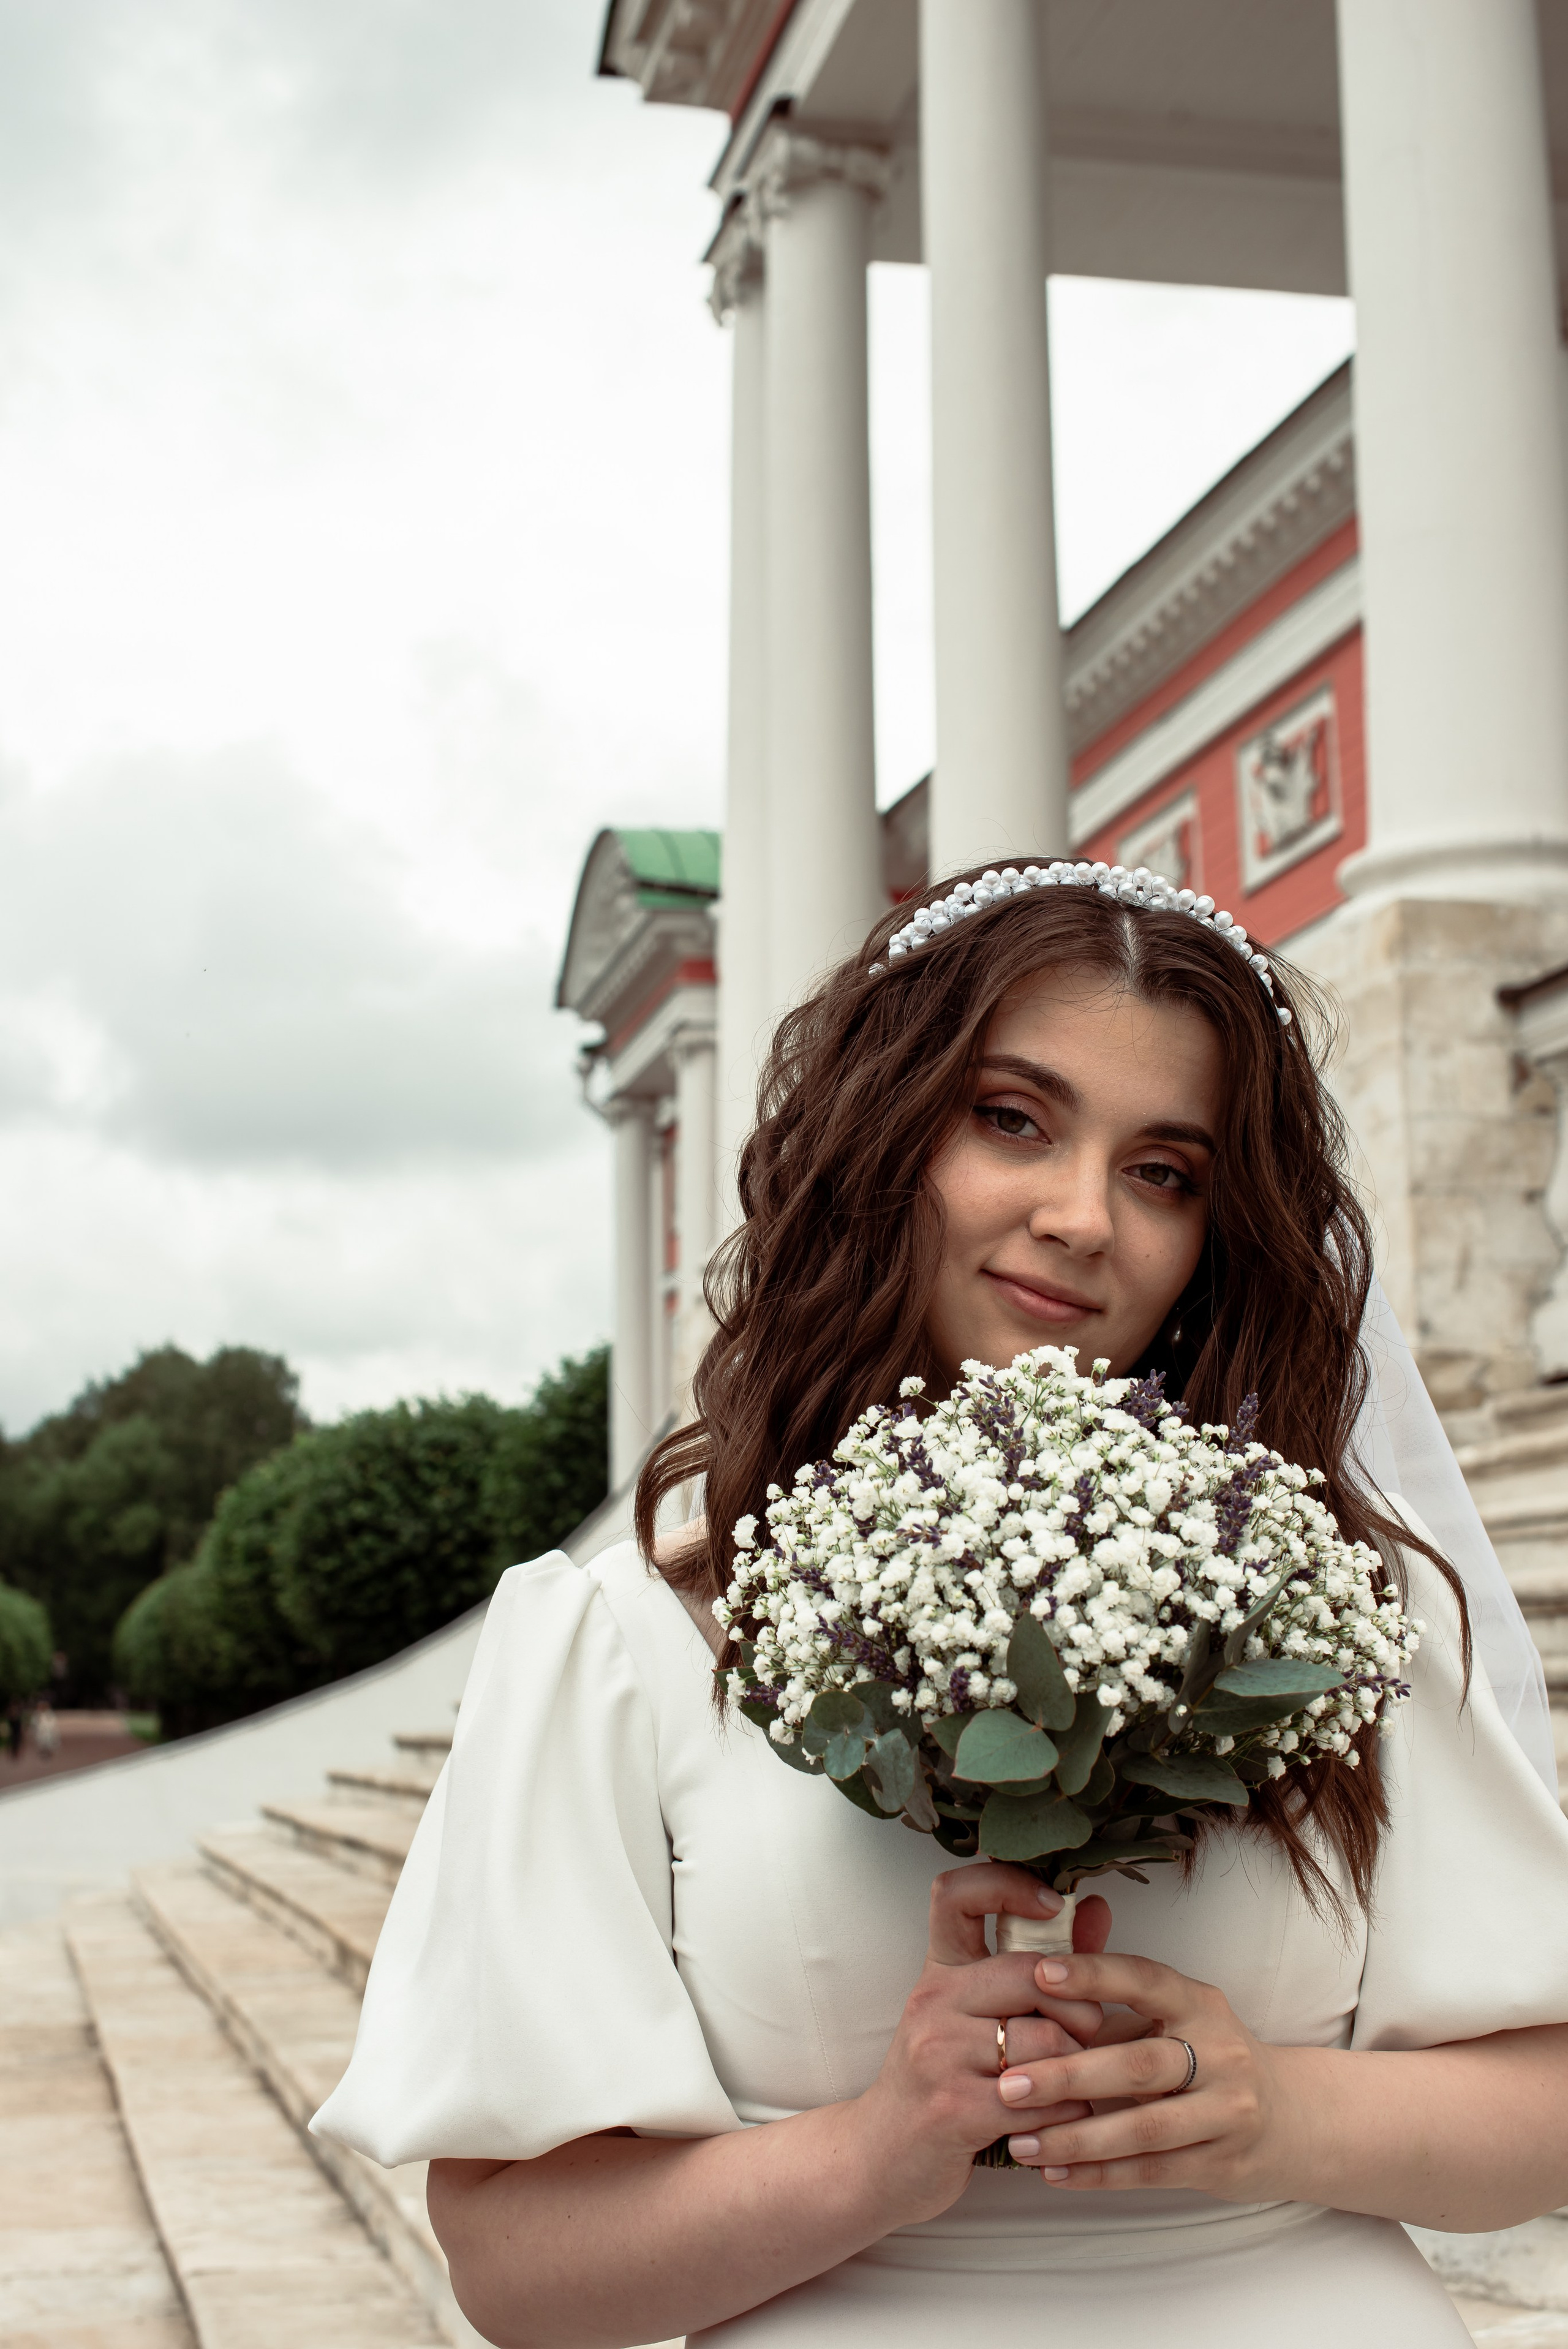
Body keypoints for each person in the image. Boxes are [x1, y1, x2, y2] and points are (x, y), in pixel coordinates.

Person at [314, 862, 1568, 2349]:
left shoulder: (1343, 1605)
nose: (1081, 1217)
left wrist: (1268, 2107)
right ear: (882, 1133)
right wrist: (875, 2150)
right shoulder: (627, 1638)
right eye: (1012, 1119)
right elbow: (518, 2268)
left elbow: (1540, 2106)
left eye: (1164, 1171)